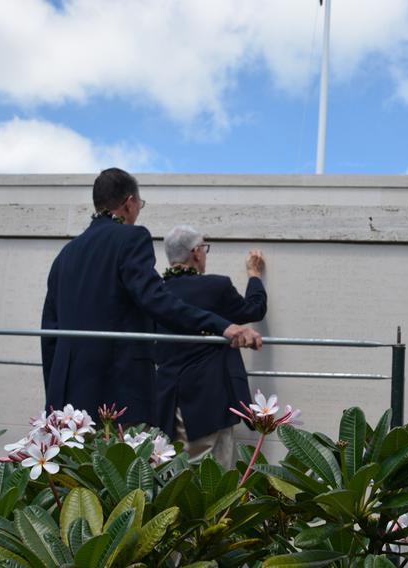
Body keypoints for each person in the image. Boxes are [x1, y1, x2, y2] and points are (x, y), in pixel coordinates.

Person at [40, 168, 262, 424]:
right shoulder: (131, 237)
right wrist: (222, 326)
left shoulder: (66, 254)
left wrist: (54, 395)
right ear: (129, 202)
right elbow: (157, 300)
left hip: (67, 394)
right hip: (117, 389)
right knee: (118, 462)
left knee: (75, 463)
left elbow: (50, 333)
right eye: (140, 204)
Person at [155, 225, 267, 466]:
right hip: (210, 397)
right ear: (196, 252)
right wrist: (254, 276)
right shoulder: (215, 287)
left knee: (173, 473)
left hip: (166, 400)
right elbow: (254, 309)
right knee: (216, 477)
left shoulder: (156, 294)